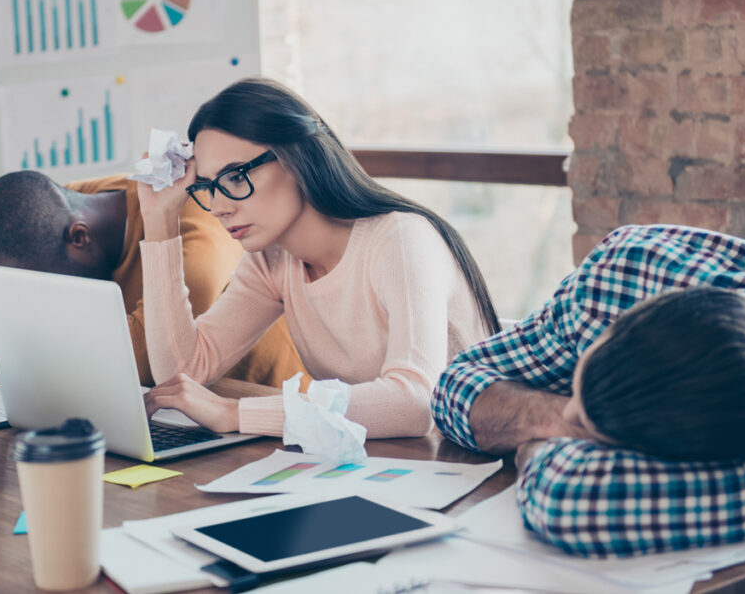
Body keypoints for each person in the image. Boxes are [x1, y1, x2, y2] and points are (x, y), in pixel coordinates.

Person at [136, 77, 499, 438]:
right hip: (374, 463)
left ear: (296, 157)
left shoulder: (400, 241)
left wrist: (235, 413)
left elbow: (415, 402)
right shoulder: (272, 261)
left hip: (463, 465)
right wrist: (160, 221)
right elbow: (181, 374)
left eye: (234, 177)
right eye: (208, 187)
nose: (218, 207)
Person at [433, 224, 745, 557]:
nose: (569, 412)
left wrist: (540, 444)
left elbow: (569, 501)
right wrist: (565, 425)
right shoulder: (622, 278)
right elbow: (454, 388)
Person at [0, 171, 307, 388]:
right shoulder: (44, 219)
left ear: (79, 238)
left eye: (38, 291)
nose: (28, 303)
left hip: (269, 411)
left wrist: (11, 325)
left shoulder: (194, 222)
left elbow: (141, 361)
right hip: (177, 412)